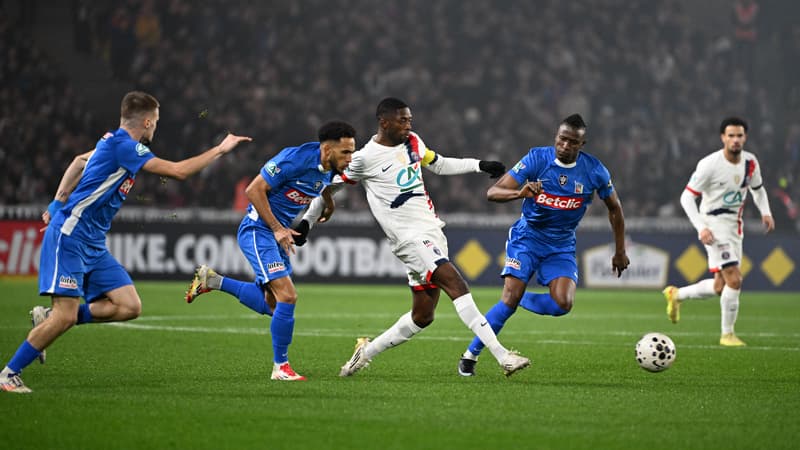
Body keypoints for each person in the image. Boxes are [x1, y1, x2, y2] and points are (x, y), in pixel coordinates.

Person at [0, 91, 252, 393]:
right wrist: (221, 150)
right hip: (70, 236)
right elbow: (178, 171)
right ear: (146, 122)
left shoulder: (110, 141)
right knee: (65, 315)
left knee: (129, 306)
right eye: (155, 122)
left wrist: (56, 202)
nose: (156, 128)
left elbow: (79, 161)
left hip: (92, 242)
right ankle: (9, 374)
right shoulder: (124, 146)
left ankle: (48, 321)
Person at [301, 97, 531, 378]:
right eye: (403, 120)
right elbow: (328, 188)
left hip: (431, 230)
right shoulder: (363, 158)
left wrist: (479, 165)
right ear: (384, 122)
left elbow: (439, 163)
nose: (409, 124)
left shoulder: (413, 142)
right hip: (408, 238)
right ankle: (502, 355)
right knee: (455, 283)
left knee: (422, 316)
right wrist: (306, 224)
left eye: (410, 119)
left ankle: (366, 352)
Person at [457, 113, 629, 377]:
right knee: (508, 298)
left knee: (563, 304)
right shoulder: (537, 158)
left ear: (582, 145)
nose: (565, 146)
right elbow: (493, 193)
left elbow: (615, 208)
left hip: (560, 246)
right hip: (527, 238)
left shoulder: (595, 171)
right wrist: (520, 192)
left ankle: (520, 298)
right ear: (555, 137)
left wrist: (619, 250)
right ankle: (470, 355)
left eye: (573, 142)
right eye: (562, 139)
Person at [184, 121, 357, 381]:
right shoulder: (293, 159)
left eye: (352, 151)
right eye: (345, 152)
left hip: (277, 236)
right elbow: (253, 190)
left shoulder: (327, 167)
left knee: (273, 304)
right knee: (288, 296)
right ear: (326, 149)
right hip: (258, 230)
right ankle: (281, 367)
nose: (350, 158)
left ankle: (213, 280)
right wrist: (277, 228)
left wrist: (328, 202)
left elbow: (320, 185)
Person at [662, 116, 774, 346]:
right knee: (734, 279)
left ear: (745, 138)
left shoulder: (750, 163)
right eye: (730, 135)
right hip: (713, 225)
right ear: (723, 137)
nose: (735, 140)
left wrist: (766, 212)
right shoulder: (709, 164)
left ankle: (676, 295)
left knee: (719, 286)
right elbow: (687, 197)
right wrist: (701, 227)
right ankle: (727, 334)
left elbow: (758, 190)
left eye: (739, 136)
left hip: (734, 226)